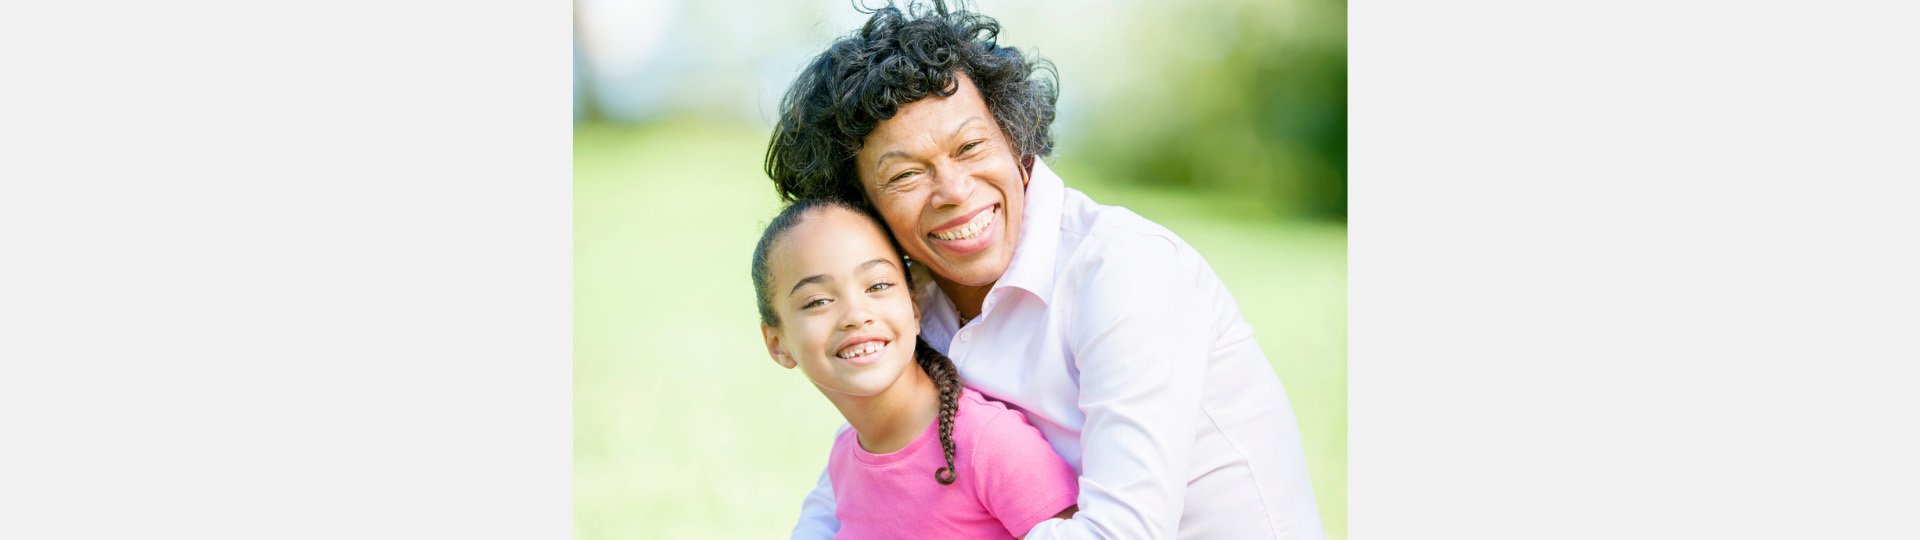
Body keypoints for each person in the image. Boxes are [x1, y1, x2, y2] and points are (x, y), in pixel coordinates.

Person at [765, 2, 1327, 539]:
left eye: (970, 147)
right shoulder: (909, 299)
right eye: (906, 175)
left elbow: (1122, 533)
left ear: (1014, 139)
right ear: (863, 207)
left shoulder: (1124, 271)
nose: (954, 193)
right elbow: (868, 460)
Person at [751, 197, 1080, 539]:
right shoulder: (845, 459)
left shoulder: (990, 442)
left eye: (877, 285)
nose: (855, 315)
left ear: (913, 306)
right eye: (818, 301)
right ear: (777, 343)